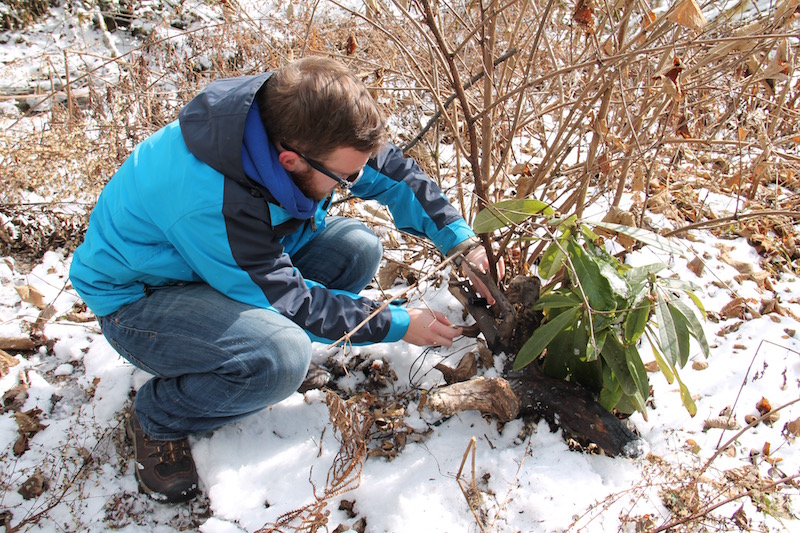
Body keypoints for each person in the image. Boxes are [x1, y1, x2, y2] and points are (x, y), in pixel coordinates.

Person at [69, 56, 495, 503]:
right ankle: (160, 415)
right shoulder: (212, 197)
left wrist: (461, 244)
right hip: (142, 301)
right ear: (290, 160)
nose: (352, 183)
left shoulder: (300, 121)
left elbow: (391, 174)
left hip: (221, 265)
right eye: (344, 178)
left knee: (358, 246)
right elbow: (286, 298)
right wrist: (399, 323)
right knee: (281, 358)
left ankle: (244, 349)